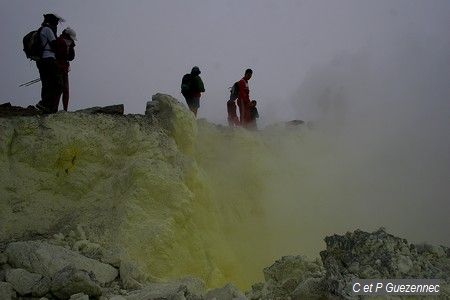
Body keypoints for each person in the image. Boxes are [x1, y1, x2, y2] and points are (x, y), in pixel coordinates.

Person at [35, 13, 65, 113]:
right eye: (56, 21)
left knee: (46, 83)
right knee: (58, 83)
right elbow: (54, 44)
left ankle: (45, 106)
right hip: (49, 59)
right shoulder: (48, 30)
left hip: (41, 60)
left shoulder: (42, 29)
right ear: (52, 21)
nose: (57, 24)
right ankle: (45, 104)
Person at [55, 27, 76, 111]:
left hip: (63, 68)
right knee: (60, 89)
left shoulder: (68, 44)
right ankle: (56, 108)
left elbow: (71, 57)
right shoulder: (58, 42)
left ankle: (63, 109)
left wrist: (71, 47)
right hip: (58, 68)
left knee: (63, 89)